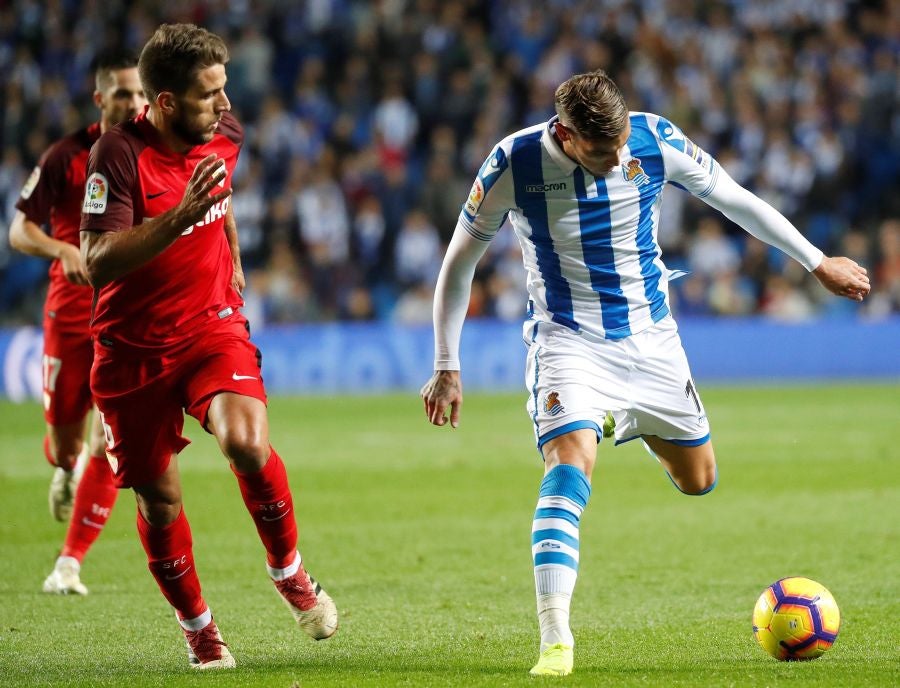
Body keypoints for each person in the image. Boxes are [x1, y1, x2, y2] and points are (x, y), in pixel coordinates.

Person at [420, 70, 870, 677]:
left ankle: (617, 419)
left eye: (621, 144)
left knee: (699, 479)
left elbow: (735, 199)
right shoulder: (514, 162)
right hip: (569, 341)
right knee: (568, 467)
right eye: (602, 152)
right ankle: (556, 639)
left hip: (652, 341)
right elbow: (459, 261)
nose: (617, 160)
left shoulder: (653, 140)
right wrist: (446, 363)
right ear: (567, 136)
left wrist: (816, 262)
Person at [79, 24, 337, 669]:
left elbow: (221, 197)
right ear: (165, 102)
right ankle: (199, 628)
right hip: (131, 350)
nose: (225, 105)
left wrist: (234, 253)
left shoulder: (224, 132)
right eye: (208, 94)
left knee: (247, 443)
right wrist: (179, 217)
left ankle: (289, 572)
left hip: (209, 325)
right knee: (160, 501)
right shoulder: (117, 154)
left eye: (224, 89)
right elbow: (96, 259)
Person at [10, 50, 146, 595]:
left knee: (111, 439)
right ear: (100, 98)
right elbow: (19, 230)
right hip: (69, 315)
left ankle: (69, 563)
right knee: (66, 446)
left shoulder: (156, 152)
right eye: (123, 93)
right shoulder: (66, 155)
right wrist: (63, 249)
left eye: (140, 93)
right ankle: (65, 468)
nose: (134, 103)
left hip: (126, 316)